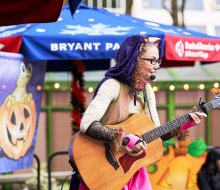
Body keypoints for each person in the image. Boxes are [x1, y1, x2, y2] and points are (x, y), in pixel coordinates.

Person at [69, 34, 207, 190]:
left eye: (158, 61)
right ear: (133, 60)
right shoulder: (112, 85)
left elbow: (156, 135)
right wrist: (126, 139)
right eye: (151, 60)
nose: (157, 66)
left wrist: (184, 123)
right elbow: (86, 123)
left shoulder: (147, 91)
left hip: (131, 171)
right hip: (104, 170)